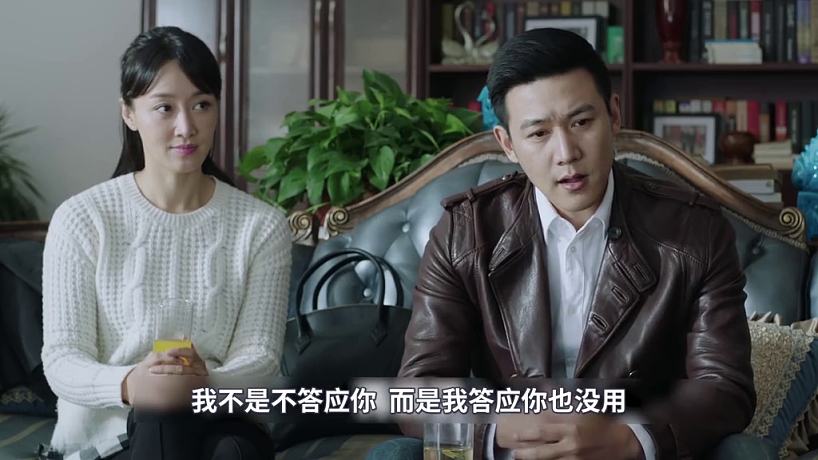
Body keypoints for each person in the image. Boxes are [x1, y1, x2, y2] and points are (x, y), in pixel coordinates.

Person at [398, 28, 755, 459]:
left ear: (614, 115)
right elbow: (417, 389)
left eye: (581, 122)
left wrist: (631, 439)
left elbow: (724, 385)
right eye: (538, 134)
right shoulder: (464, 233)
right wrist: (499, 428)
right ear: (508, 144)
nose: (566, 152)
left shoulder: (695, 231)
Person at [41, 26, 290, 459]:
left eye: (201, 105)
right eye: (164, 107)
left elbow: (260, 357)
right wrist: (132, 384)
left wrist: (199, 383)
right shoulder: (82, 219)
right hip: (108, 437)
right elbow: (63, 359)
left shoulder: (261, 226)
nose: (186, 127)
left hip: (217, 415)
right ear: (129, 113)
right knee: (161, 411)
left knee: (233, 449)